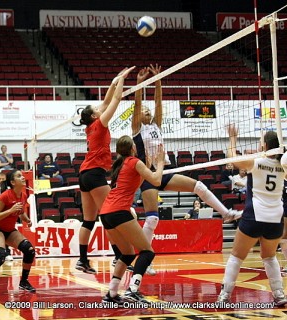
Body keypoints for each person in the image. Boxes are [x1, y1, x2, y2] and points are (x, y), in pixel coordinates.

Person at [131, 64, 242, 275]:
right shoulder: (138, 127)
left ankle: (226, 213)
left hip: (163, 172)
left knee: (199, 186)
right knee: (153, 218)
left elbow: (157, 102)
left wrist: (158, 81)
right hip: (147, 175)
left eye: (148, 111)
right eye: (143, 110)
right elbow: (138, 104)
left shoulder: (156, 125)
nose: (146, 111)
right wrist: (139, 84)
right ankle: (146, 261)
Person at [217, 125, 287, 306]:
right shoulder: (283, 165)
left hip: (254, 216)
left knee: (236, 256)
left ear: (264, 146)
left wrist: (233, 137)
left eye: (260, 142)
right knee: (270, 257)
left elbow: (232, 158)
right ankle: (279, 295)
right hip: (275, 219)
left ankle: (225, 295)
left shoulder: (256, 161)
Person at [77, 66, 136, 274]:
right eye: (97, 110)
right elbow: (115, 101)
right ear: (95, 116)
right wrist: (123, 81)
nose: (100, 109)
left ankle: (82, 260)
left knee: (88, 220)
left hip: (84, 174)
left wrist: (115, 79)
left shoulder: (90, 125)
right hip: (95, 173)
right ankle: (119, 256)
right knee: (109, 215)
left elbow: (105, 100)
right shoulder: (100, 124)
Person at [100, 136, 164, 303]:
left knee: (127, 254)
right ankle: (133, 289)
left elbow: (138, 180)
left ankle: (111, 294)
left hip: (106, 213)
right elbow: (156, 180)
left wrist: (149, 165)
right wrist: (161, 162)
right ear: (133, 148)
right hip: (119, 211)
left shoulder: (120, 165)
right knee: (147, 252)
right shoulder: (134, 161)